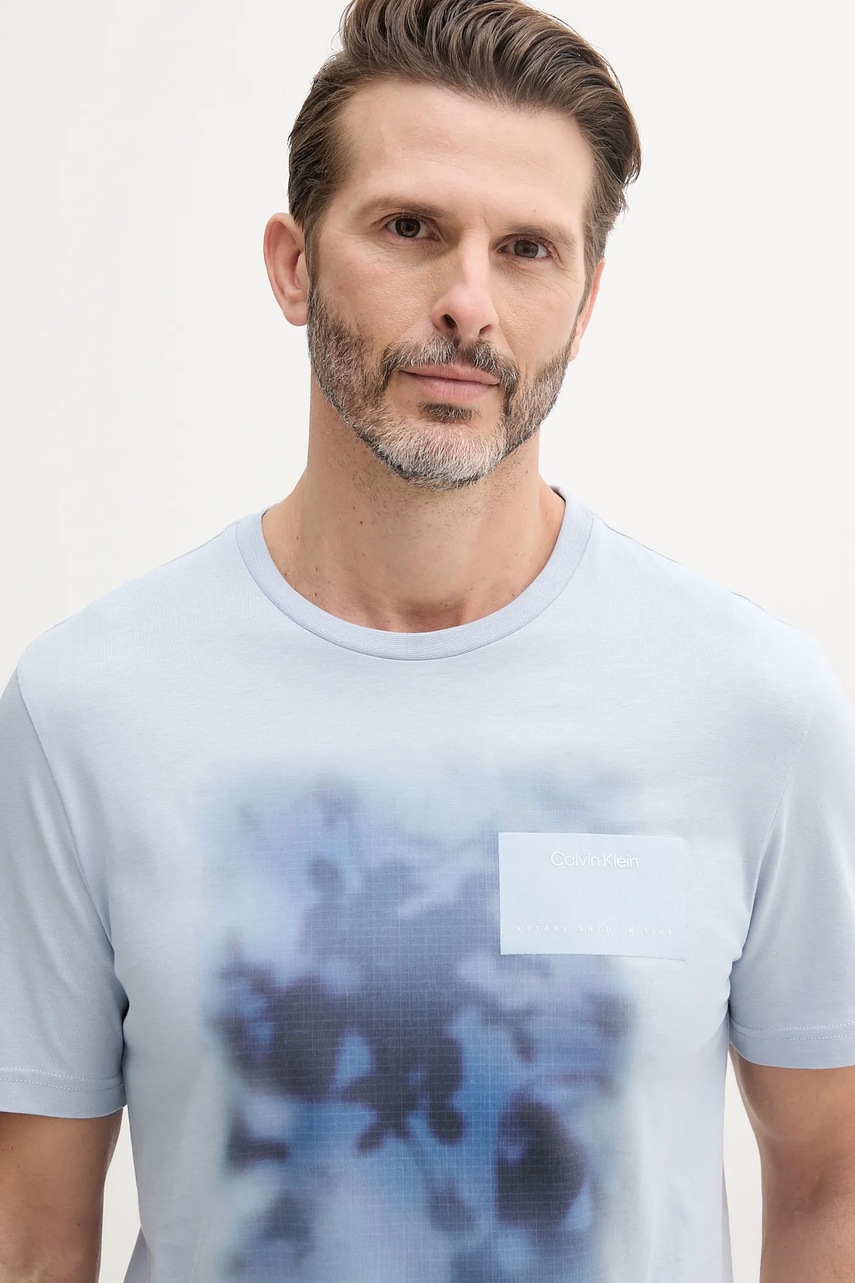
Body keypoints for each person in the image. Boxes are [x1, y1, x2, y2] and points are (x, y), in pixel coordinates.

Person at [1, 0, 853, 1279]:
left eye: (528, 249)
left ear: (586, 298)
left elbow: (834, 1175)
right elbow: (31, 1226)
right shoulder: (91, 707)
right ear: (293, 264)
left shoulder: (752, 705)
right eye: (410, 228)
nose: (468, 303)